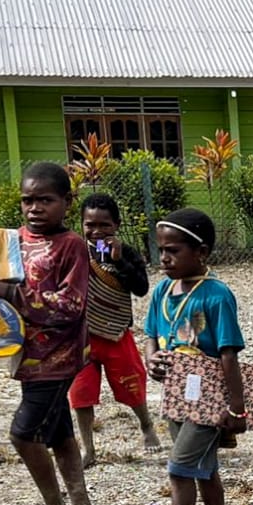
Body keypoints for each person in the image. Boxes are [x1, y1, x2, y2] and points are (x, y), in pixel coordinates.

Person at [0, 162, 99, 505]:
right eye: (27, 201)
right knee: (58, 432)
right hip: (25, 355)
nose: (35, 208)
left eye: (45, 200)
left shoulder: (72, 246)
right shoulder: (8, 241)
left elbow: (71, 305)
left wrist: (12, 294)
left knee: (23, 434)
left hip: (57, 356)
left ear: (67, 202)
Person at [140, 208, 248, 505]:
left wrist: (237, 408)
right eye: (161, 250)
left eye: (173, 250)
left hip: (210, 396)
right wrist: (151, 358)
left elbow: (228, 353)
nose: (164, 258)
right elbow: (151, 332)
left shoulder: (216, 296)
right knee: (203, 467)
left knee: (180, 468)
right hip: (176, 394)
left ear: (200, 252)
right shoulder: (162, 290)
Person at [67, 192, 161, 467]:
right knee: (80, 393)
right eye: (90, 225)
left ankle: (146, 425)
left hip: (117, 332)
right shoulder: (74, 252)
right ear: (81, 224)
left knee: (132, 385)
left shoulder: (127, 252)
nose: (96, 231)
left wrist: (120, 261)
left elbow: (141, 288)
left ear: (116, 225)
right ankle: (88, 449)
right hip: (81, 336)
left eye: (104, 225)